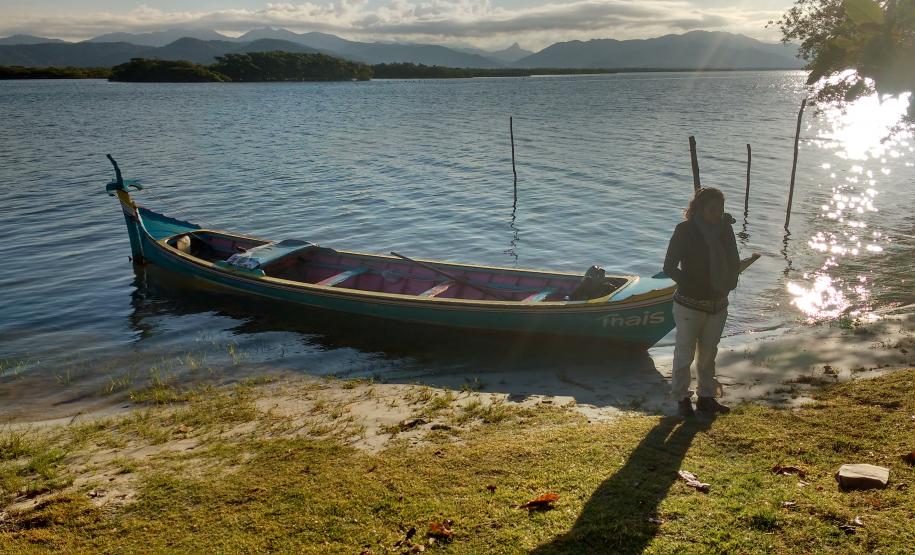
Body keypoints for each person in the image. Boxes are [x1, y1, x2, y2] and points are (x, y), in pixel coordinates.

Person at [663, 187, 740, 417]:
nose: (717, 214)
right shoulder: (685, 230)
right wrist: (689, 283)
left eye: (721, 210)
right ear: (700, 208)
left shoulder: (725, 230)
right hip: (688, 303)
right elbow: (668, 266)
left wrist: (730, 283)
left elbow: (734, 260)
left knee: (708, 354)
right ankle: (681, 398)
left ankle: (706, 397)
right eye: (712, 209)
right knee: (684, 353)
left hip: (718, 303)